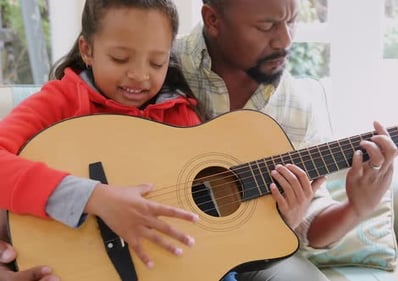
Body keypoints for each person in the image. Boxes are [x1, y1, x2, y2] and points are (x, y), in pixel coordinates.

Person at [0, 1, 316, 280]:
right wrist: (95, 197)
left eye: (157, 63)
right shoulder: (62, 100)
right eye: (121, 58)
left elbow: (214, 231)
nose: (139, 75)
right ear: (87, 50)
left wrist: (285, 218)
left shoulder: (181, 114)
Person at [171, 0, 398, 280]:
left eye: (291, 22)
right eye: (266, 25)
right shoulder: (157, 62)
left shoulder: (297, 106)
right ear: (213, 20)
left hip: (250, 252)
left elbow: (308, 226)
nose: (285, 40)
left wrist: (356, 208)